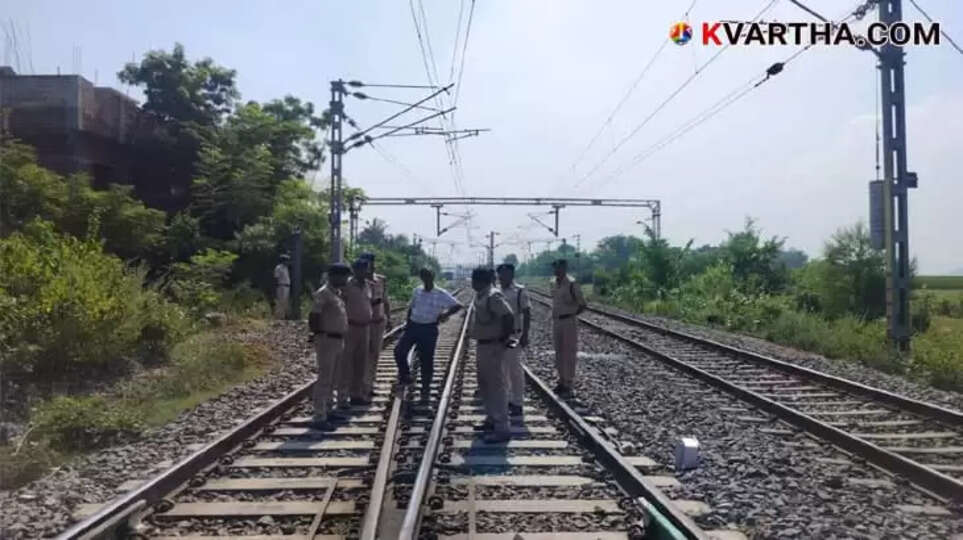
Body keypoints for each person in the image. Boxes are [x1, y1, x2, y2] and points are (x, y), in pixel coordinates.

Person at [394, 268, 463, 402]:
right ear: (421, 277)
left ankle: (425, 388)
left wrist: (445, 314)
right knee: (399, 351)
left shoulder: (440, 293)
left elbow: (457, 305)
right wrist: (407, 323)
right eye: (424, 276)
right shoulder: (417, 291)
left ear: (433, 277)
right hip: (413, 326)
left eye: (428, 276)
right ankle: (405, 375)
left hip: (429, 329)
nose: (426, 279)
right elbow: (411, 307)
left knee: (426, 360)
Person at [469, 267, 515, 443]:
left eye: (474, 279)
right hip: (483, 345)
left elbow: (508, 316)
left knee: (496, 387)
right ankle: (491, 419)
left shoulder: (493, 296)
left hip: (493, 346)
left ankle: (502, 428)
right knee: (485, 385)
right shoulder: (481, 294)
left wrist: (504, 339)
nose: (472, 282)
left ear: (482, 281)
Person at [307, 263, 351, 431]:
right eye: (344, 276)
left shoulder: (337, 294)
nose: (346, 280)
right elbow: (314, 315)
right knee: (325, 378)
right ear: (334, 276)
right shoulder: (323, 293)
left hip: (338, 339)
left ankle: (329, 409)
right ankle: (319, 416)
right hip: (327, 339)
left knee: (334, 378)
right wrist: (319, 334)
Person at [497, 263, 531, 416]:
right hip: (497, 336)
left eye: (507, 274)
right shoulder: (495, 291)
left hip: (513, 335)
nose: (504, 277)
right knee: (501, 370)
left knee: (515, 370)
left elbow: (527, 312)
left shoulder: (519, 291)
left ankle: (517, 402)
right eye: (501, 274)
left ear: (512, 275)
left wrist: (525, 334)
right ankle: (506, 399)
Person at [551, 258, 586, 395]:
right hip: (557, 321)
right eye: (555, 268)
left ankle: (569, 383)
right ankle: (561, 380)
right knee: (559, 352)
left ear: (565, 268)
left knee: (569, 352)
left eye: (559, 267)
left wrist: (571, 314)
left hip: (568, 321)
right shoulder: (553, 282)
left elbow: (582, 304)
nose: (556, 270)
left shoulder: (572, 283)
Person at [341, 259, 372, 406]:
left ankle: (356, 394)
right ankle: (343, 395)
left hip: (365, 328)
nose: (364, 272)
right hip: (350, 327)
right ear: (354, 270)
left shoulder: (367, 285)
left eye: (365, 269)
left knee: (361, 362)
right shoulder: (346, 286)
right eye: (360, 269)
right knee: (346, 362)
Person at [360, 252, 391, 400]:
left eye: (370, 263)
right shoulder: (356, 282)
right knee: (362, 355)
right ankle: (360, 386)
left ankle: (369, 385)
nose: (368, 266)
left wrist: (389, 318)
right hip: (363, 323)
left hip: (378, 321)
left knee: (374, 354)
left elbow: (385, 300)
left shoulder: (381, 280)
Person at [273, 254, 291, 319]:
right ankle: (278, 317)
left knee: (285, 302)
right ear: (283, 261)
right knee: (280, 301)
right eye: (287, 260)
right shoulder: (279, 267)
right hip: (281, 286)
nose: (288, 262)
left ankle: (283, 317)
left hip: (287, 286)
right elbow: (276, 277)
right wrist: (276, 286)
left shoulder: (286, 268)